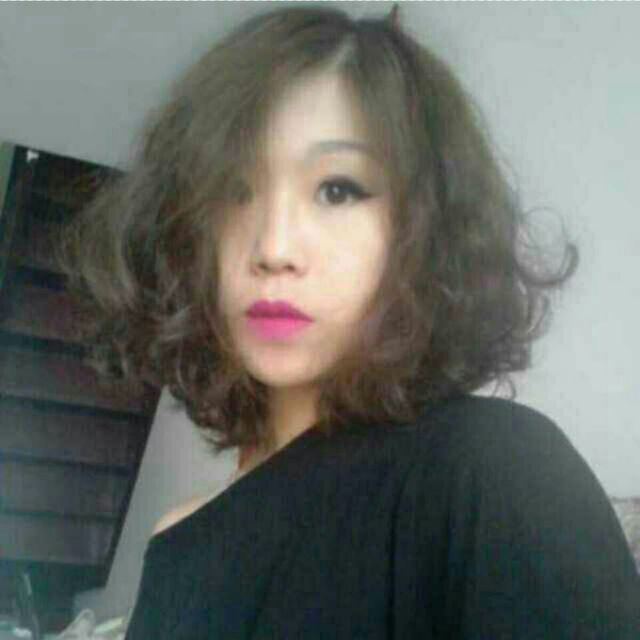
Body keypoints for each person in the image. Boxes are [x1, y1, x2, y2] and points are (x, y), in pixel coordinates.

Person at [58, 4, 640, 638]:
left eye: (337, 189)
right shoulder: (176, 539)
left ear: (423, 226)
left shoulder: (496, 470)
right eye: (233, 191)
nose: (273, 247)